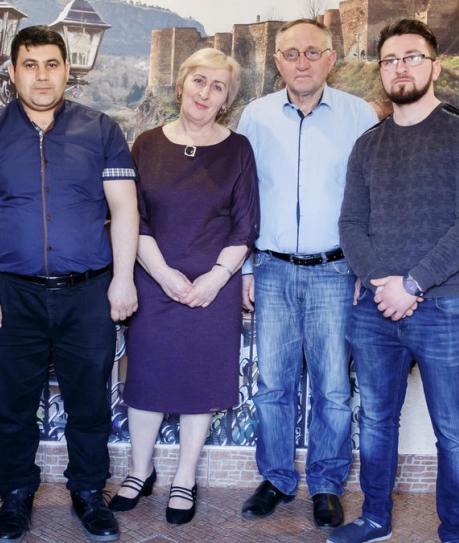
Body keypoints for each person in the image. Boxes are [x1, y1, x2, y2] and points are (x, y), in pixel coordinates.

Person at [0, 26, 138, 543]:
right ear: (12, 72)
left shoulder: (102, 129)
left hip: (88, 292)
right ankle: (14, 496)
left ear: (67, 69)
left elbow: (125, 206)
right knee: (13, 406)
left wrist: (123, 280)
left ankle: (87, 494)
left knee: (89, 402)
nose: (41, 74)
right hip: (11, 293)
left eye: (51, 64)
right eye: (30, 64)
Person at [332, 19, 459, 543]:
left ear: (434, 65)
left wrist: (413, 284)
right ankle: (376, 518)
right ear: (381, 70)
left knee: (455, 432)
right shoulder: (368, 144)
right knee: (376, 422)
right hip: (376, 305)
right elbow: (350, 224)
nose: (401, 67)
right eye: (390, 60)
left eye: (412, 57)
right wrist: (382, 281)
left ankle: (455, 531)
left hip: (445, 306)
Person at [107, 48, 259, 526]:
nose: (205, 93)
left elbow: (246, 225)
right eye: (199, 81)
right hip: (155, 281)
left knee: (200, 383)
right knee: (147, 379)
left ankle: (185, 477)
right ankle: (139, 471)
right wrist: (163, 275)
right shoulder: (146, 145)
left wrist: (216, 279)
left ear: (227, 99)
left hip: (215, 287)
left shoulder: (238, 149)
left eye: (218, 87)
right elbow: (133, 217)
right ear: (182, 84)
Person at [237, 19, 378, 529]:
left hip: (335, 272)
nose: (301, 62)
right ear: (277, 61)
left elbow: (372, 197)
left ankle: (326, 485)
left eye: (312, 53)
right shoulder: (254, 117)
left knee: (333, 388)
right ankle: (275, 478)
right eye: (291, 54)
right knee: (273, 383)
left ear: (331, 58)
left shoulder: (358, 115)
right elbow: (241, 199)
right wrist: (246, 268)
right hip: (271, 271)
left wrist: (367, 266)